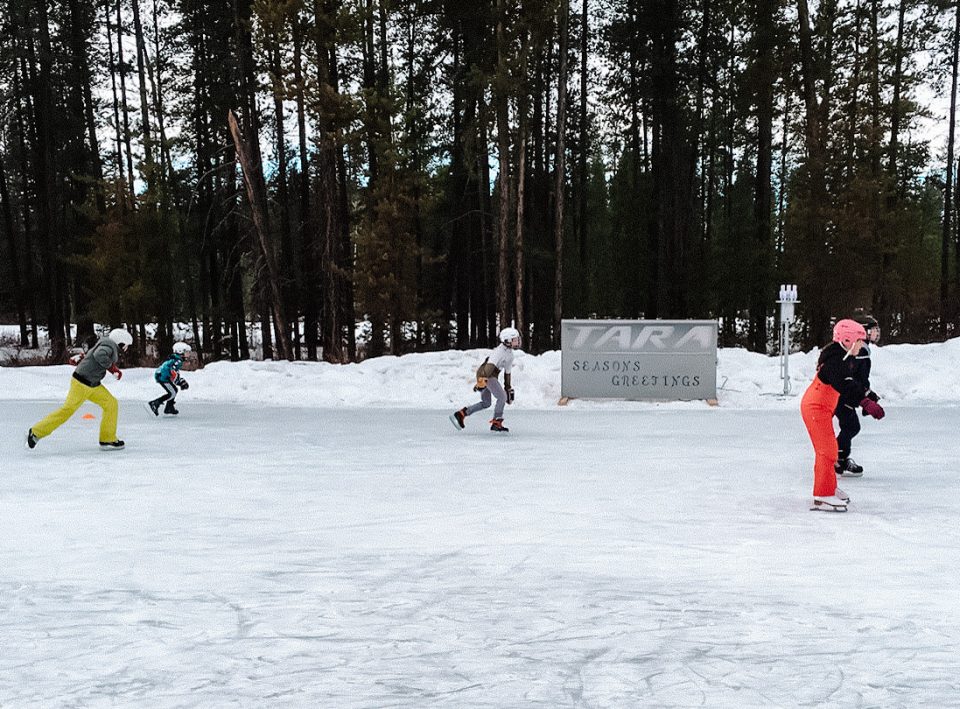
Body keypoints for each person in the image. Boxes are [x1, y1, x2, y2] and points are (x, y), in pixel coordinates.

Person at [800, 319, 882, 511]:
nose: (862, 345)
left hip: (822, 407)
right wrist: (865, 402)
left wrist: (866, 396)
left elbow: (852, 383)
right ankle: (823, 495)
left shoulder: (841, 356)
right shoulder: (835, 361)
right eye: (859, 341)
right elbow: (845, 386)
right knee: (827, 450)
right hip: (815, 408)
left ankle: (830, 487)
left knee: (830, 448)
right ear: (847, 340)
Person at [26, 328, 132, 450]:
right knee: (67, 411)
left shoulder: (105, 343)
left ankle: (107, 439)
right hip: (81, 383)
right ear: (121, 342)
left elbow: (92, 354)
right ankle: (36, 432)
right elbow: (99, 355)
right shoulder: (109, 346)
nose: (126, 349)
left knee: (111, 404)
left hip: (93, 384)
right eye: (126, 346)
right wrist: (113, 369)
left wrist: (81, 358)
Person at [834, 314, 885, 477]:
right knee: (851, 426)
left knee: (850, 426)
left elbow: (861, 379)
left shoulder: (862, 349)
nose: (876, 333)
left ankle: (838, 457)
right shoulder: (857, 350)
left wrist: (868, 394)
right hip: (843, 395)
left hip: (848, 394)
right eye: (872, 330)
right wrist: (864, 397)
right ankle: (836, 458)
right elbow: (853, 378)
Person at [450, 327, 521, 432]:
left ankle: (461, 414)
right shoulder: (499, 352)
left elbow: (507, 373)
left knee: (486, 403)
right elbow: (489, 366)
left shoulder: (510, 354)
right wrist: (481, 381)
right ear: (507, 341)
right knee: (502, 397)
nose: (518, 341)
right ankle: (497, 422)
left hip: (489, 375)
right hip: (485, 373)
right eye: (515, 339)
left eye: (517, 339)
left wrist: (508, 388)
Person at [148, 341, 191, 416]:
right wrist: (179, 381)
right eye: (186, 352)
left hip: (162, 375)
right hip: (163, 377)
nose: (188, 354)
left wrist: (179, 381)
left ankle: (169, 407)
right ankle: (155, 403)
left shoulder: (176, 359)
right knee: (172, 393)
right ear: (180, 352)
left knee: (174, 390)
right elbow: (173, 371)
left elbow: (174, 372)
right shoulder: (178, 360)